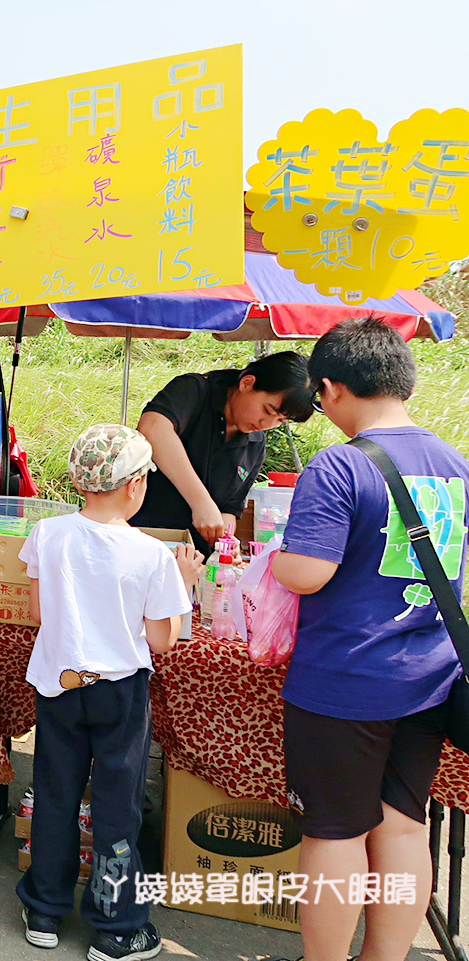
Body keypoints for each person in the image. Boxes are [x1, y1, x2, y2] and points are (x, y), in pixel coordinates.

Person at [270, 317, 469, 961]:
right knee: (405, 829)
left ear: (330, 389)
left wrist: (274, 558)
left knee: (334, 834)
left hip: (344, 683)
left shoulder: (339, 465)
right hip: (431, 679)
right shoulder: (455, 464)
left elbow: (306, 572)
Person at [15, 423, 201, 961]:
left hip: (61, 682)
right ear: (135, 486)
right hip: (118, 691)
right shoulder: (151, 555)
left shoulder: (48, 535)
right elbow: (163, 639)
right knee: (118, 805)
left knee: (55, 791)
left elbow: (37, 613)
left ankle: (45, 910)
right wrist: (184, 584)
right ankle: (117, 928)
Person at [132, 352, 314, 551]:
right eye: (268, 410)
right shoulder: (195, 391)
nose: (266, 424)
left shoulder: (255, 443)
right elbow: (153, 428)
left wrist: (226, 542)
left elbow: (230, 509)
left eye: (280, 420)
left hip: (194, 560)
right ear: (247, 383)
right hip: (145, 540)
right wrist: (201, 503)